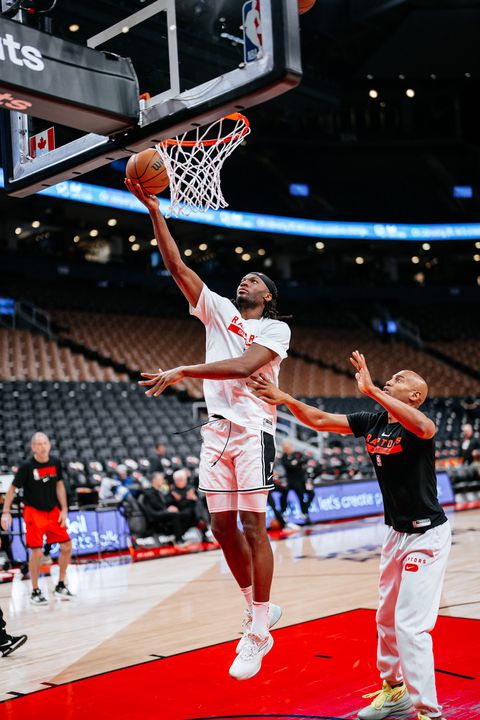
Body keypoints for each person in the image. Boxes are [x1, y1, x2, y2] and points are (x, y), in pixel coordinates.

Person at [126, 178, 290, 680]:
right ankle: (255, 609)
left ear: (269, 296)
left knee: (252, 526)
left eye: (257, 279)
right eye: (243, 277)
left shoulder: (275, 330)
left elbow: (244, 367)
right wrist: (154, 210)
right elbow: (177, 266)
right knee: (220, 528)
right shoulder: (218, 310)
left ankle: (260, 628)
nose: (247, 281)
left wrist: (183, 370)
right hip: (217, 432)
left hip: (253, 429)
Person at [248, 351, 451, 720]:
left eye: (401, 378)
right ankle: (395, 692)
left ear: (415, 395)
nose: (394, 378)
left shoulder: (418, 425)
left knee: (410, 625)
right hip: (395, 534)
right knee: (385, 619)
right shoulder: (373, 421)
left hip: (427, 535)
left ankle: (429, 712)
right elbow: (322, 420)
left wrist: (372, 389)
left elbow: (425, 428)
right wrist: (288, 399)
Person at [0, 432, 74, 605]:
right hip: (34, 512)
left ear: (49, 445)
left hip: (53, 511)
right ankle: (35, 590)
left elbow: (60, 485)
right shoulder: (27, 466)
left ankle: (61, 584)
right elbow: (12, 489)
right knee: (37, 552)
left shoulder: (55, 462)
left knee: (67, 545)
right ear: (33, 447)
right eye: (39, 444)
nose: (42, 446)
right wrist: (6, 511)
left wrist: (64, 509)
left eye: (45, 443)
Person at [141, 472, 190, 543]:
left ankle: (177, 536)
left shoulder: (160, 492)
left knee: (185, 514)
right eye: (161, 479)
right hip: (155, 515)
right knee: (175, 515)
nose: (163, 481)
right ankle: (179, 540)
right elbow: (156, 505)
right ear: (154, 480)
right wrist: (167, 510)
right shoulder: (149, 492)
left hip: (162, 513)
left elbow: (164, 504)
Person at [280, 439, 314, 522]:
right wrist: (299, 463)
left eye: (289, 447)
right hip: (292, 481)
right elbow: (291, 466)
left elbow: (305, 459)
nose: (288, 449)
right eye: (286, 447)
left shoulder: (296, 454)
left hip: (302, 480)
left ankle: (305, 512)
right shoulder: (284, 457)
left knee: (310, 494)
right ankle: (284, 514)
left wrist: (298, 463)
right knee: (288, 496)